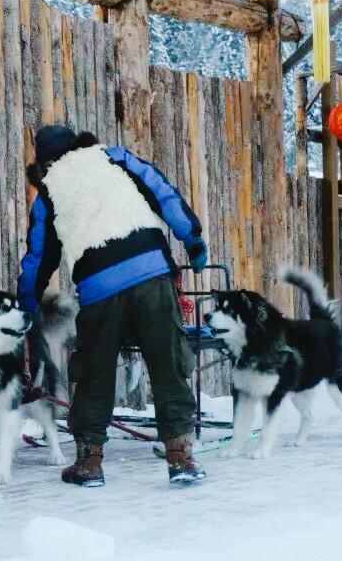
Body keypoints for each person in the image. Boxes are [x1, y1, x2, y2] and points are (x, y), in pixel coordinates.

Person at [18, 125, 209, 487]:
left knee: (94, 372)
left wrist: (28, 303)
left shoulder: (48, 191)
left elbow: (39, 256)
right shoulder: (114, 157)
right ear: (77, 142)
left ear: (42, 159)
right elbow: (163, 193)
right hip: (151, 273)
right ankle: (181, 458)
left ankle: (89, 464)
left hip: (99, 287)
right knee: (168, 365)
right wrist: (193, 238)